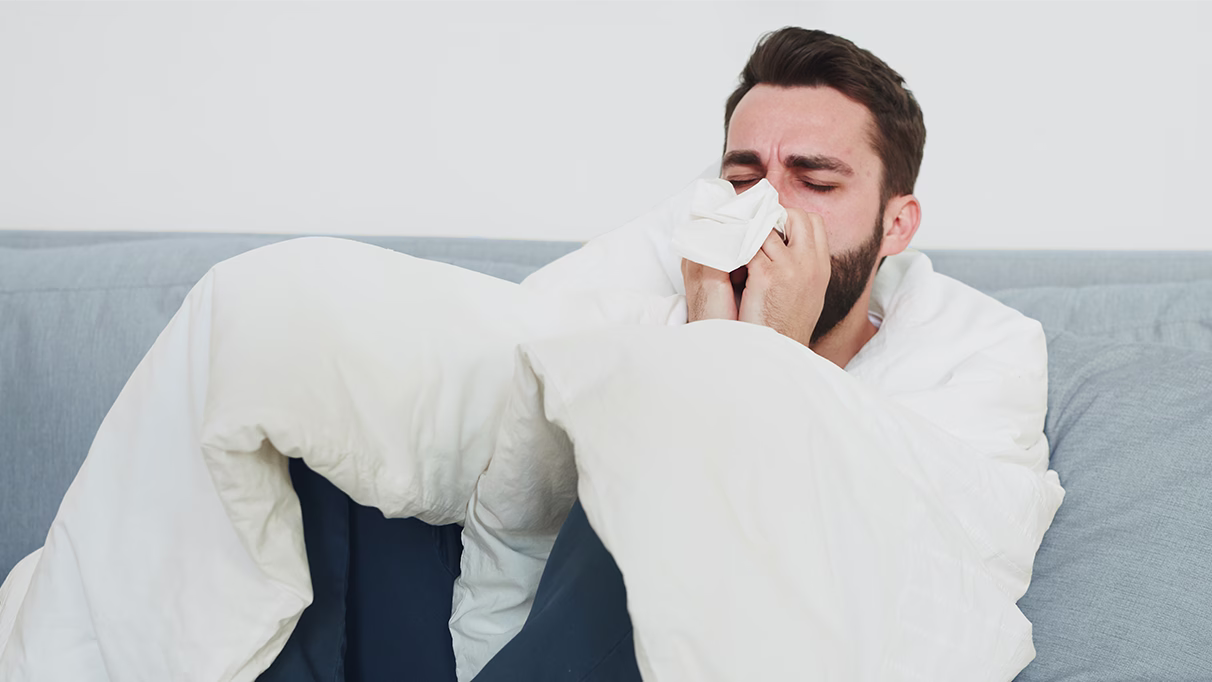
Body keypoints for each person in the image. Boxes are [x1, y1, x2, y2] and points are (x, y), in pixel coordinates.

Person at [261, 26, 937, 682]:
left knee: (651, 472)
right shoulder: (646, 318)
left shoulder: (934, 388)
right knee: (329, 401)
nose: (767, 210)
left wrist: (758, 357)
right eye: (741, 179)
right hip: (519, 618)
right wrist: (709, 324)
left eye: (815, 184)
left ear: (896, 224)